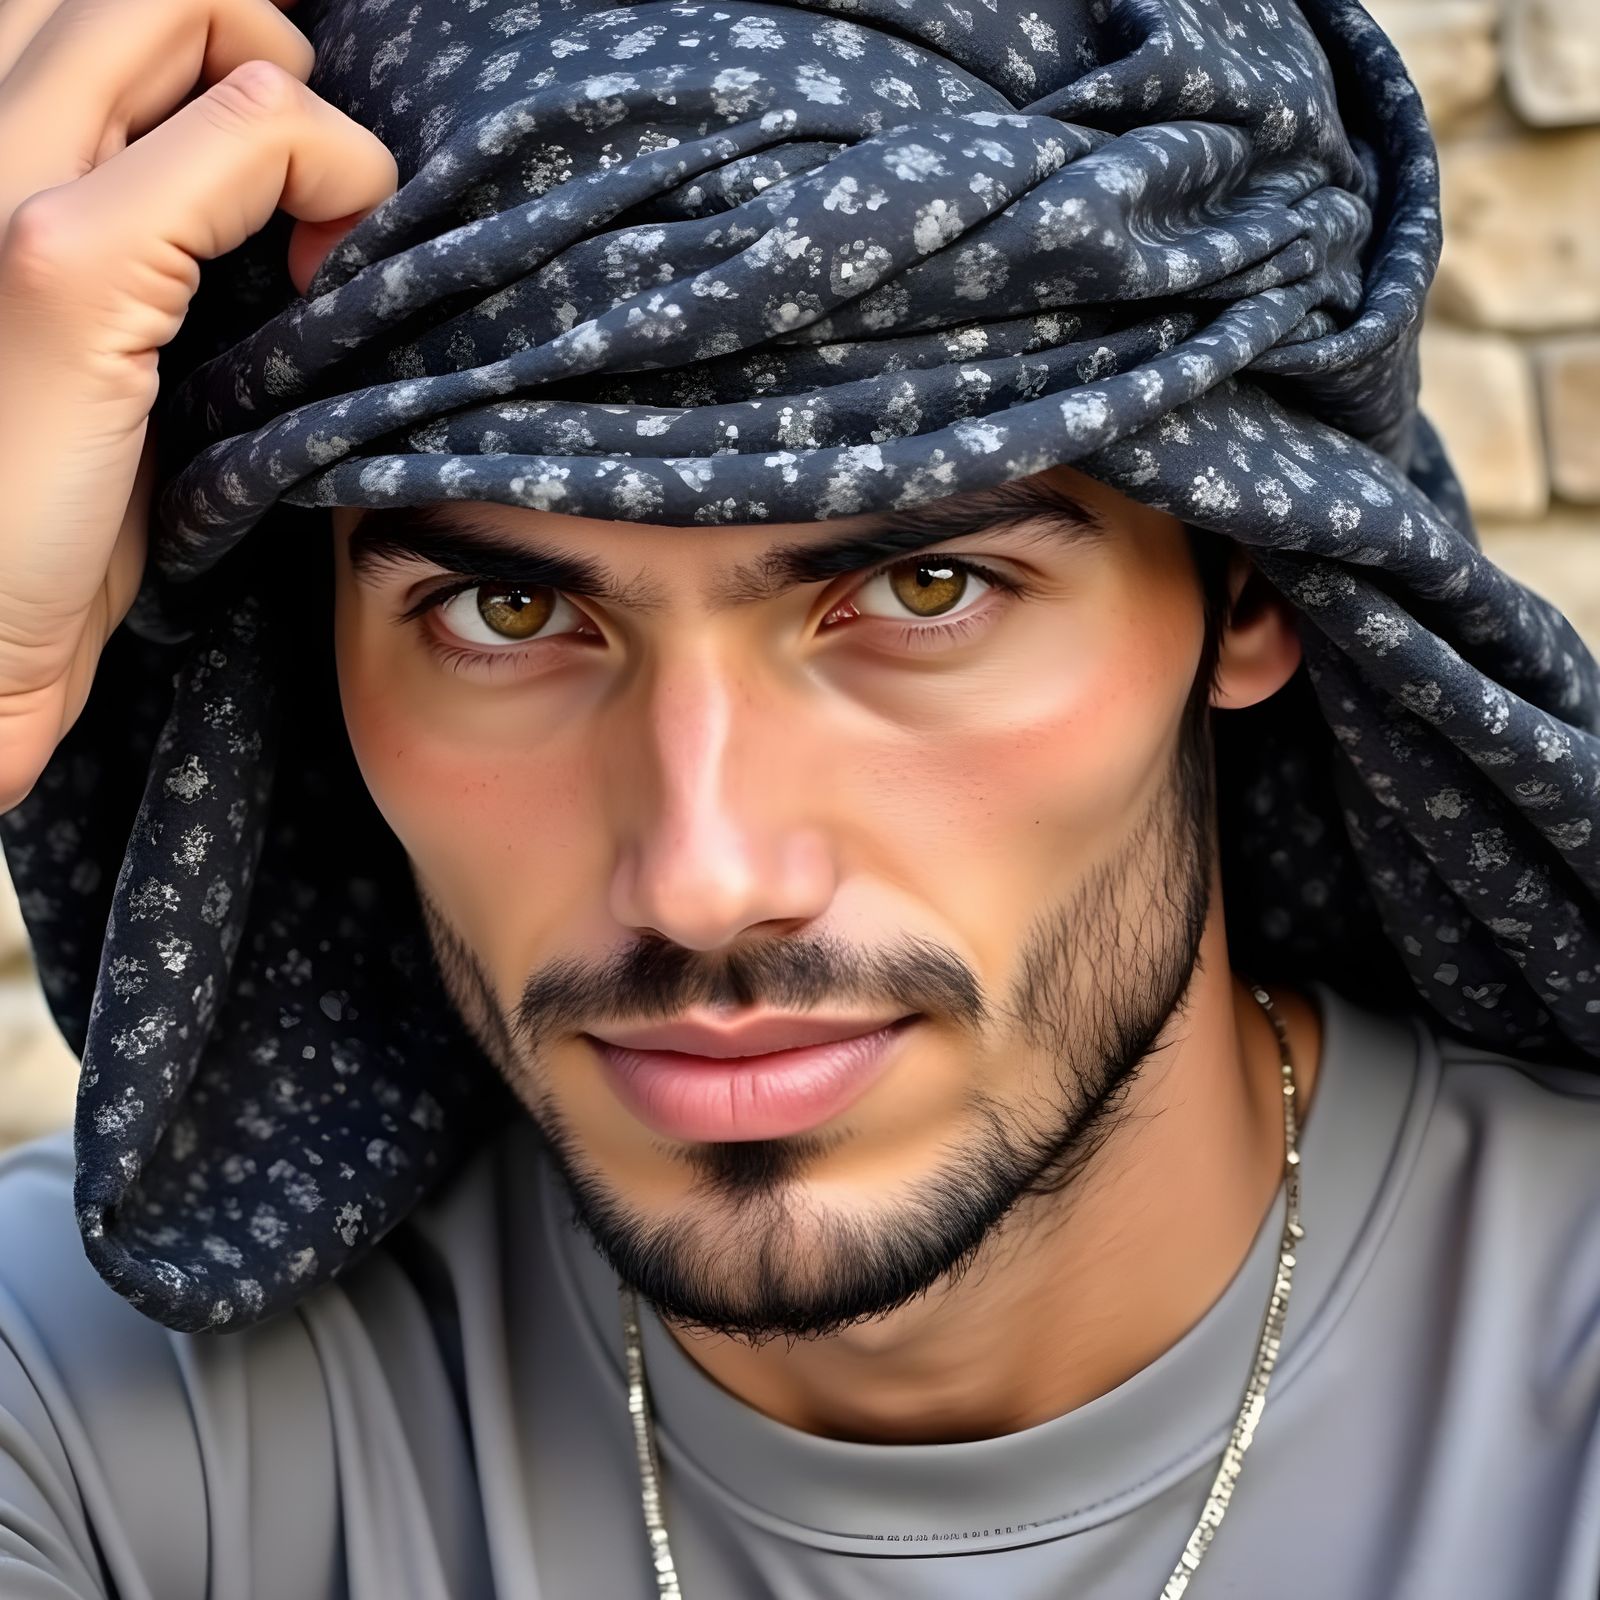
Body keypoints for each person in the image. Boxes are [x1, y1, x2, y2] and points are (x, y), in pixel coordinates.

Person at [2, 0, 1600, 1595]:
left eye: (922, 589)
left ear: (1250, 589)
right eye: (508, 617)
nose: (705, 878)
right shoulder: (103, 1427)